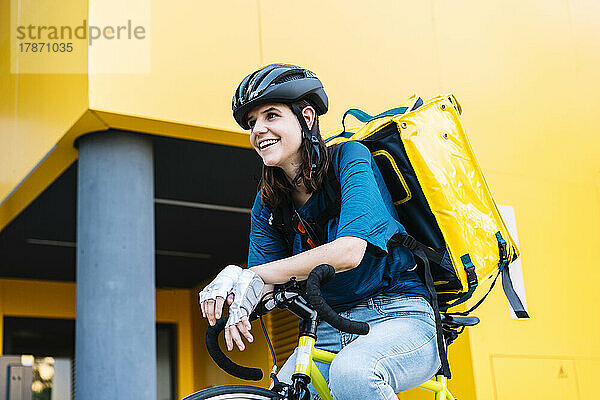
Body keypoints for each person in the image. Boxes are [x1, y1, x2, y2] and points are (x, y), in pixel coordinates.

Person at [199, 63, 441, 400]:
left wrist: (249, 274)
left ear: (307, 118)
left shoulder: (349, 158)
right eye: (252, 123)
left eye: (271, 115)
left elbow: (348, 253)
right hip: (326, 326)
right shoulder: (268, 204)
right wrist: (240, 298)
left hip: (398, 313)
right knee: (282, 392)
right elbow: (268, 286)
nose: (258, 130)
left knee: (354, 374)